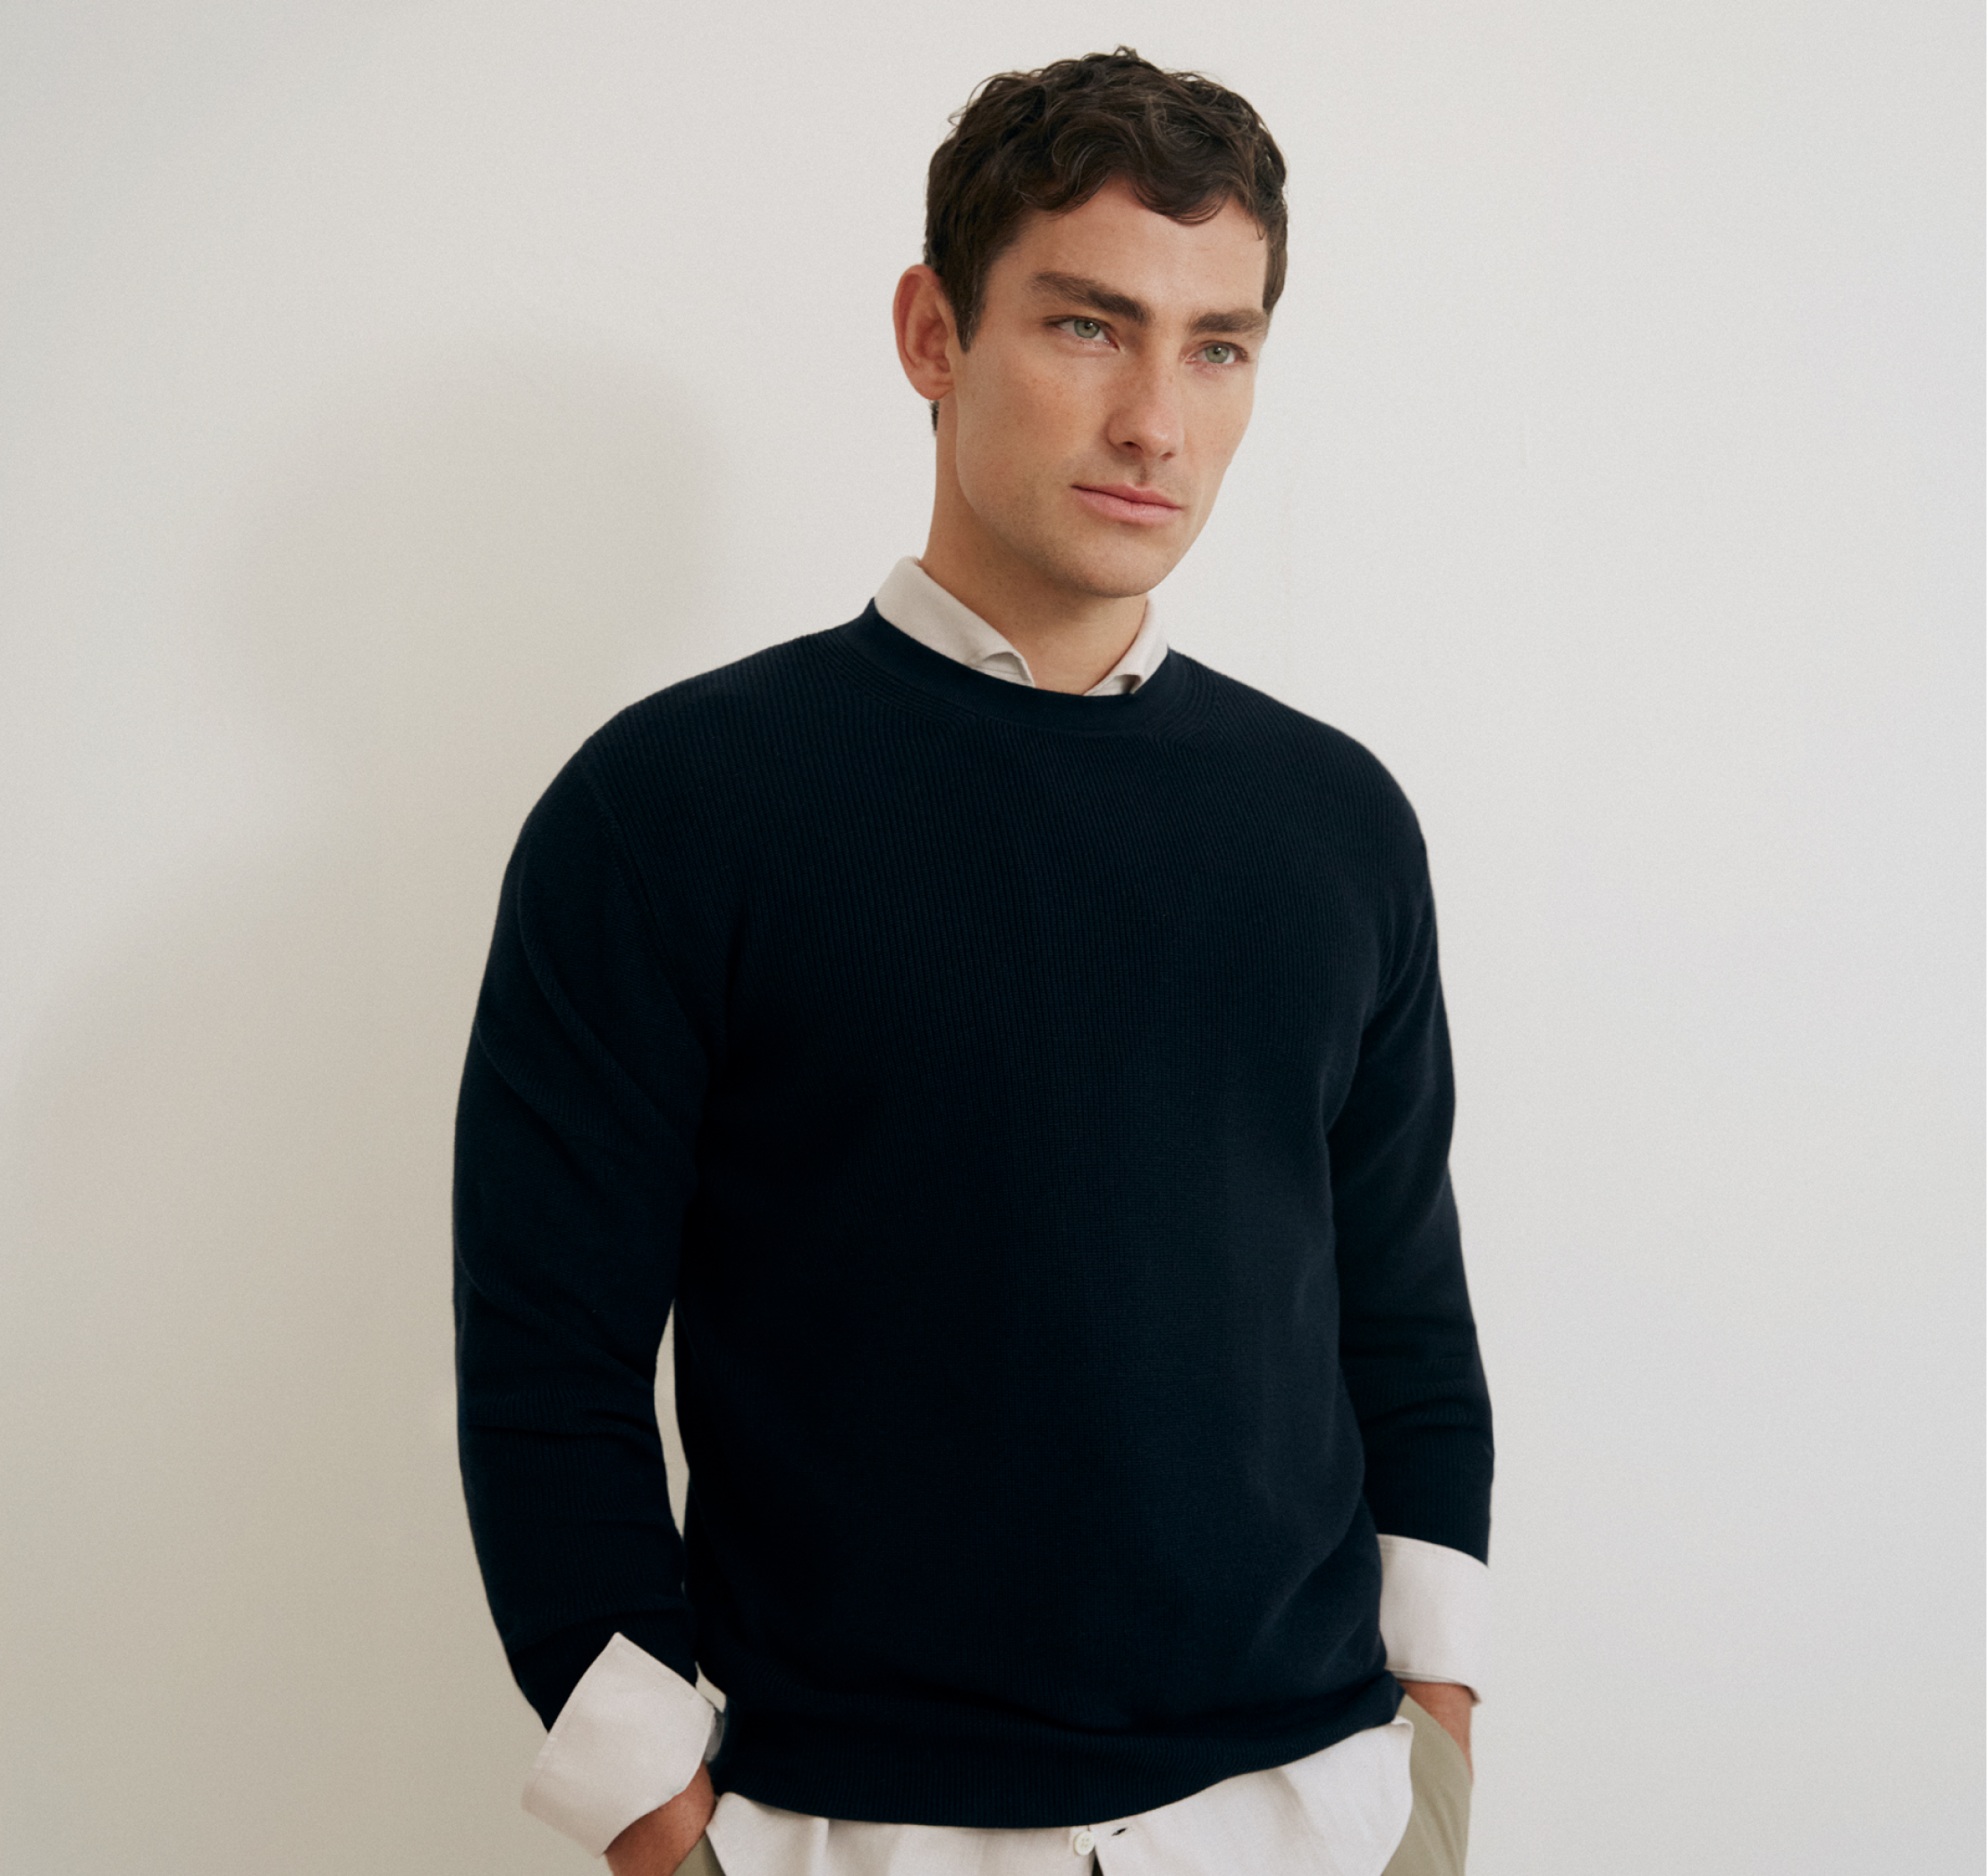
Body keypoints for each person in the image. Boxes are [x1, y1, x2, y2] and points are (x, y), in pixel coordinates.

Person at [454, 47, 1492, 1876]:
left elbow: (1398, 1303)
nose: (1154, 419)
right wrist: (657, 1817)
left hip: (1308, 1808)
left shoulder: (1334, 819)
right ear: (932, 333)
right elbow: (548, 1363)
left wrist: (1433, 1741)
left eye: (1216, 346)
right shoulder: (669, 809)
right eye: (1089, 326)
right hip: (851, 1822)